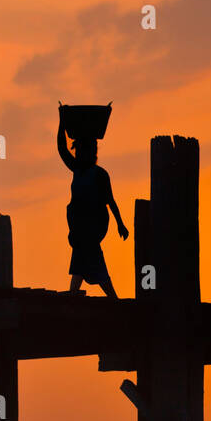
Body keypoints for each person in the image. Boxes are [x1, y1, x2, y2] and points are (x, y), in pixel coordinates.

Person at [58, 108, 127, 296]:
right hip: (80, 228)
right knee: (84, 259)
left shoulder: (99, 175)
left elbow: (110, 201)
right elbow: (62, 149)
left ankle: (109, 297)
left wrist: (120, 224)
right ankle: (76, 293)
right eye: (78, 150)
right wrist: (62, 121)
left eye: (84, 150)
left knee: (89, 257)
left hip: (92, 226)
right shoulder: (77, 169)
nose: (80, 154)